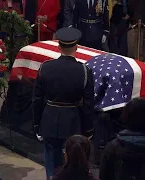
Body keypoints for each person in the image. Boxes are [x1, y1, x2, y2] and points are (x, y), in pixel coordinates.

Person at [33, 27, 95, 179]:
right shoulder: (84, 71)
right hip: (73, 122)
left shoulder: (45, 67)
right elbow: (88, 105)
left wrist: (37, 125)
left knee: (50, 164)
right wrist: (88, 130)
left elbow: (36, 100)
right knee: (73, 163)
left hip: (48, 120)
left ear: (58, 46)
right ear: (77, 47)